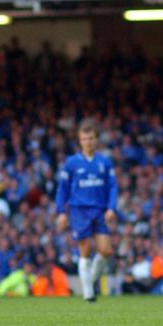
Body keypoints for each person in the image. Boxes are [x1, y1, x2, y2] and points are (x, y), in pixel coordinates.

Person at [55, 119, 118, 302]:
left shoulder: (104, 162)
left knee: (106, 250)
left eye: (91, 138)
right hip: (79, 211)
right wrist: (61, 211)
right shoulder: (72, 163)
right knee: (85, 249)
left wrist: (111, 207)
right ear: (80, 141)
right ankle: (89, 293)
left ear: (96, 140)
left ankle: (90, 280)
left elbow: (112, 187)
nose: (88, 142)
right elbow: (62, 189)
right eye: (84, 139)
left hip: (99, 210)